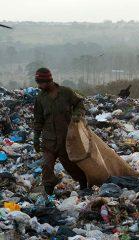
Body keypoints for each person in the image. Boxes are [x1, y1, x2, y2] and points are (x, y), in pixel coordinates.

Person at [33, 67, 87, 195]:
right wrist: (36, 137)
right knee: (46, 166)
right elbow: (38, 119)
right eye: (38, 83)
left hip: (66, 139)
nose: (39, 86)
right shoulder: (40, 98)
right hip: (49, 140)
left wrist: (77, 114)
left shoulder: (66, 92)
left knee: (71, 166)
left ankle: (84, 185)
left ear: (48, 81)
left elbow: (79, 103)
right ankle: (49, 193)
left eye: (41, 83)